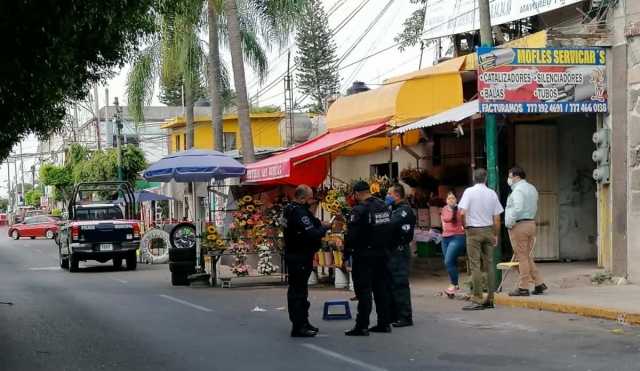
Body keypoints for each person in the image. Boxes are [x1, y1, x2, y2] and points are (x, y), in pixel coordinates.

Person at [342, 181, 393, 336]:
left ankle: (362, 325)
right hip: (382, 253)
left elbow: (351, 236)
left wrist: (346, 256)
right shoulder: (384, 206)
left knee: (364, 290)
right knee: (381, 289)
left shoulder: (359, 210)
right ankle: (384, 322)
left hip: (364, 255)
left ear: (357, 194)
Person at [282, 185, 332, 337]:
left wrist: (319, 223)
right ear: (302, 198)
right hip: (299, 255)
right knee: (298, 292)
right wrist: (325, 228)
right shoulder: (298, 213)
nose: (312, 201)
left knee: (301, 292)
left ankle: (304, 321)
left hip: (297, 254)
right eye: (310, 198)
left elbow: (310, 223)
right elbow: (311, 233)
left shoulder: (290, 209)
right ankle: (298, 326)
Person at [458, 168, 504, 311]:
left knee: (475, 265)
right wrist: (495, 234)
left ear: (474, 178)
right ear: (486, 179)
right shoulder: (492, 194)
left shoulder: (469, 192)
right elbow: (497, 218)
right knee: (490, 265)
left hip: (473, 230)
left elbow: (462, 212)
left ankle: (477, 299)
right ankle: (490, 299)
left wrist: (465, 226)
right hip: (488, 229)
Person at [505, 166, 547, 297]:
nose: (509, 179)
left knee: (521, 257)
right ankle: (539, 283)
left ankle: (523, 287)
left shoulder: (518, 190)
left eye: (510, 177)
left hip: (519, 225)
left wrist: (510, 222)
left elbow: (517, 208)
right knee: (525, 256)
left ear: (517, 177)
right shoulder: (532, 188)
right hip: (530, 223)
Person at [385, 183, 415, 328]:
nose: (387, 196)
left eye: (389, 194)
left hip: (400, 251)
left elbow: (390, 223)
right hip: (391, 250)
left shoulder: (405, 211)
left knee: (400, 283)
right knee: (390, 283)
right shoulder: (392, 209)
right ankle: (394, 315)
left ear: (397, 196)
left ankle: (405, 316)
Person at [441, 192, 466, 295]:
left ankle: (455, 285)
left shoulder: (460, 209)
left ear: (456, 199)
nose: (451, 200)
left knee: (448, 261)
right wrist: (444, 228)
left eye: (453, 198)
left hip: (457, 237)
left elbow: (465, 221)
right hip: (445, 237)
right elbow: (443, 218)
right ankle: (453, 284)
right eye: (449, 198)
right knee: (451, 262)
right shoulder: (444, 209)